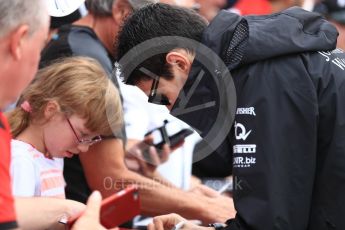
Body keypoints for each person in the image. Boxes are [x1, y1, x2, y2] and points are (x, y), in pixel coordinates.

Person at [116, 3, 345, 230]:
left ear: (179, 63)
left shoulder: (261, 79)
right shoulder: (263, 60)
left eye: (160, 97)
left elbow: (270, 222)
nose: (167, 109)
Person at [41, 0, 235, 224]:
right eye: (146, 20)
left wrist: (133, 155)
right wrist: (206, 207)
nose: (158, 32)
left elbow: (105, 160)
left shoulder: (90, 51)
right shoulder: (86, 57)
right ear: (120, 10)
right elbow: (109, 178)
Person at [8, 56, 122, 199]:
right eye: (82, 135)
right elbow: (16, 218)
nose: (84, 148)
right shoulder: (21, 160)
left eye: (92, 139)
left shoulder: (54, 156)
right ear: (51, 110)